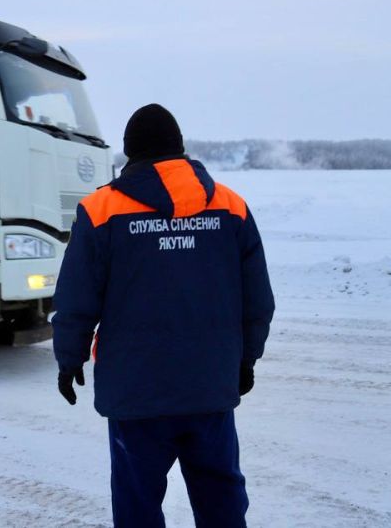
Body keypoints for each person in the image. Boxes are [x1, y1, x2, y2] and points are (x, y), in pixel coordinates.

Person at [52, 104, 275, 528]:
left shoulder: (101, 210)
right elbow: (257, 300)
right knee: (221, 498)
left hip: (136, 394)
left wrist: (69, 359)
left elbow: (77, 298)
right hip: (209, 387)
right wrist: (245, 360)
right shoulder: (232, 207)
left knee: (137, 504)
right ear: (181, 150)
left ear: (129, 154)